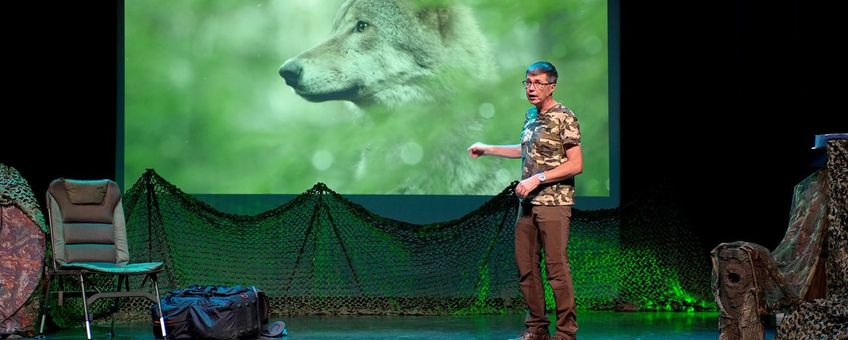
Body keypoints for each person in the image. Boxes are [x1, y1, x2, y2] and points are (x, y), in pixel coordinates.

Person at [467, 61, 582, 340]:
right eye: (528, 82)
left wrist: (537, 179)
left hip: (554, 204)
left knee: (556, 270)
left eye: (538, 83)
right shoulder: (531, 115)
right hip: (528, 205)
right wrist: (488, 149)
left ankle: (566, 333)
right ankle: (537, 329)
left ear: (551, 85)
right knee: (526, 270)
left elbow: (575, 164)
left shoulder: (564, 116)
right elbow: (526, 150)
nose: (531, 88)